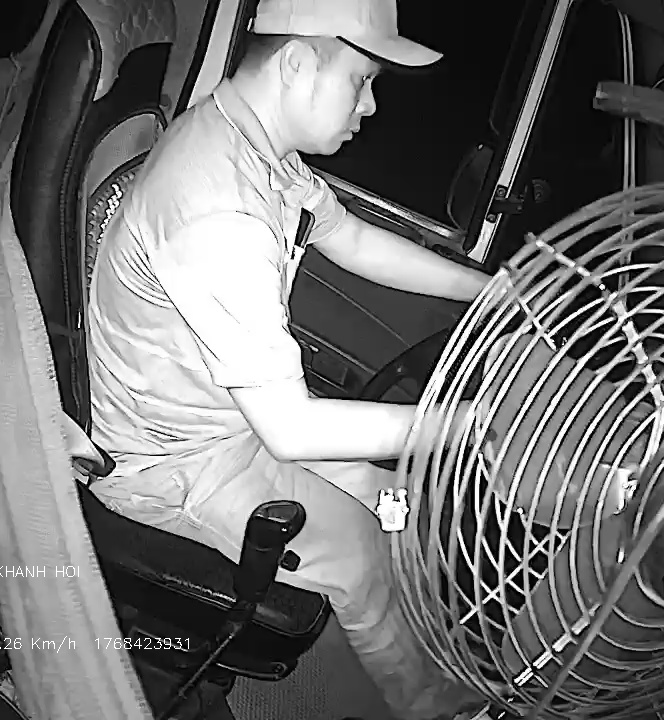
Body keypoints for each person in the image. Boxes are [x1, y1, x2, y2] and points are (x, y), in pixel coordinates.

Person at [83, 1, 494, 717]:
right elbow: (290, 428)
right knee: (364, 554)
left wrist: (489, 289)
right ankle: (440, 708)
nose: (370, 106)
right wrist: (465, 425)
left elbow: (352, 240)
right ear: (297, 62)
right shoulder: (218, 209)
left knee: (395, 504)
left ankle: (415, 640)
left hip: (232, 422)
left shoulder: (258, 151)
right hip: (176, 465)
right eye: (362, 79)